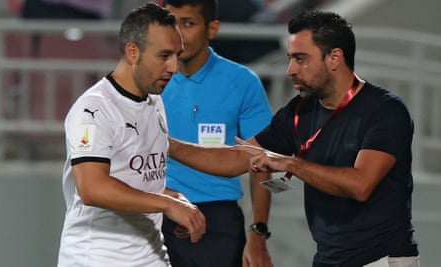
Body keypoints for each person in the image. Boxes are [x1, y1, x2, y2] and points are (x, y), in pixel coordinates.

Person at [167, 10, 420, 267]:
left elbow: (360, 185)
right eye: (290, 59)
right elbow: (233, 159)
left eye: (301, 59)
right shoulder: (298, 111)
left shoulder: (385, 110)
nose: (290, 70)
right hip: (327, 259)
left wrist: (291, 164)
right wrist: (167, 144)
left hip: (382, 260)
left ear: (334, 58)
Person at [56, 3, 206, 267]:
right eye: (164, 55)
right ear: (133, 52)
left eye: (176, 55)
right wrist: (166, 204)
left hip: (151, 255)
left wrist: (175, 200)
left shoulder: (154, 102)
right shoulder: (92, 109)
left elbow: (136, 177)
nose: (174, 67)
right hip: (96, 259)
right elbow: (93, 188)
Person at [161, 1, 273, 267]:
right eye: (171, 23)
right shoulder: (148, 80)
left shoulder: (243, 82)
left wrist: (258, 232)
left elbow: (262, 162)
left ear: (212, 28)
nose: (178, 34)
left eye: (188, 23)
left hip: (217, 221)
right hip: (156, 210)